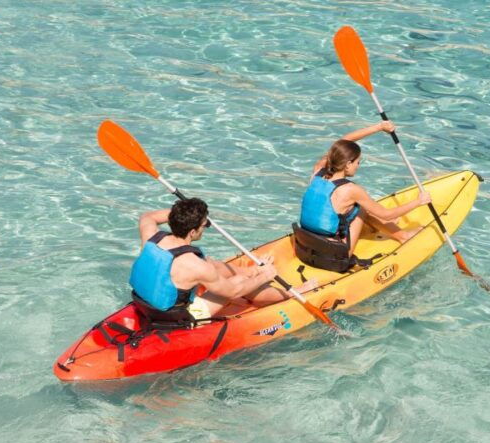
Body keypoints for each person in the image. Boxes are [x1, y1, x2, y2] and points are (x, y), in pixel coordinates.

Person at [130, 197, 315, 322]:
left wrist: (184, 213)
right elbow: (233, 292)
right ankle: (292, 293)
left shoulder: (151, 235)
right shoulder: (194, 265)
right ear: (193, 232)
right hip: (174, 317)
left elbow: (148, 216)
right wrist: (264, 276)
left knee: (212, 264)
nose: (205, 228)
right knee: (241, 281)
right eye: (204, 225)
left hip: (143, 304)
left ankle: (253, 270)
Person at [294, 121, 431, 272]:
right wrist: (419, 201)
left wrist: (379, 127)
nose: (358, 166)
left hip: (304, 246)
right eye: (358, 162)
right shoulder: (350, 190)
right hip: (333, 258)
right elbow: (386, 214)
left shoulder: (318, 169)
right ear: (348, 164)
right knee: (361, 208)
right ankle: (403, 236)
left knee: (352, 207)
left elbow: (343, 142)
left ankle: (376, 226)